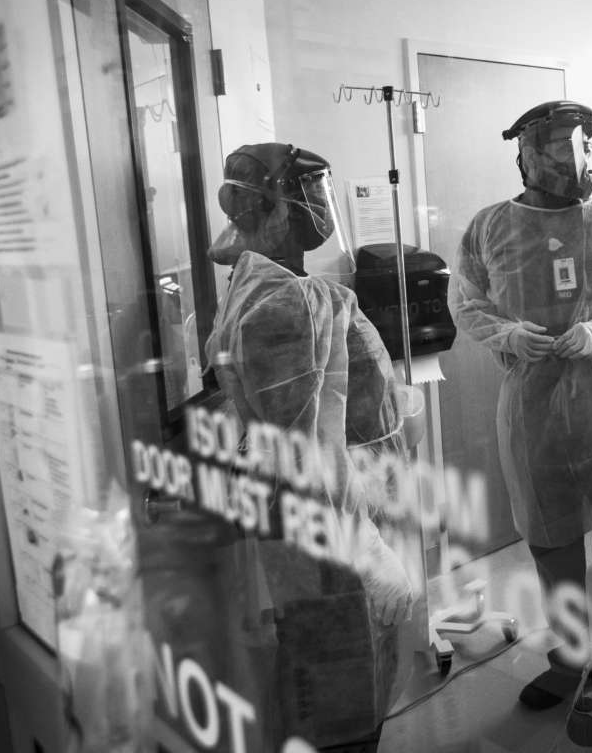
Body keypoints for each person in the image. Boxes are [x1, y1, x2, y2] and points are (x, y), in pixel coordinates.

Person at [448, 101, 592, 710]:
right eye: (558, 147)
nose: (574, 160)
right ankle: (572, 662)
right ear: (525, 155)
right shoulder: (490, 227)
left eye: (583, 144)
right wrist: (507, 334)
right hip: (533, 404)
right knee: (552, 536)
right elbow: (466, 302)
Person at [203, 142, 415, 751]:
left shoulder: (262, 283)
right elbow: (310, 458)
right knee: (344, 689)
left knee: (317, 666)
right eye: (314, 193)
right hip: (336, 536)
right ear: (275, 207)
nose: (323, 208)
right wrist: (371, 556)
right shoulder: (290, 304)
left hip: (325, 523)